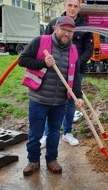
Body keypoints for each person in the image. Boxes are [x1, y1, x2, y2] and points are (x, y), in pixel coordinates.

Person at [19, 16, 84, 176]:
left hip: (60, 101)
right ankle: (33, 160)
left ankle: (52, 159)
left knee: (55, 132)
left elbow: (75, 76)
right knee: (36, 133)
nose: (66, 34)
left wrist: (78, 96)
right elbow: (22, 60)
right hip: (39, 99)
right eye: (63, 30)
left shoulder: (73, 50)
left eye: (70, 31)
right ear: (56, 28)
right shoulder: (41, 41)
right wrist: (43, 63)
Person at [40, 0, 93, 147]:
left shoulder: (85, 27)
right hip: (54, 69)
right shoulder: (54, 23)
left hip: (75, 70)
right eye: (70, 5)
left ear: (79, 8)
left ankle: (67, 133)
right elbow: (44, 43)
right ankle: (47, 134)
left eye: (75, 6)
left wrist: (75, 64)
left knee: (71, 101)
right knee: (49, 100)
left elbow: (89, 49)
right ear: (65, 5)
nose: (72, 8)